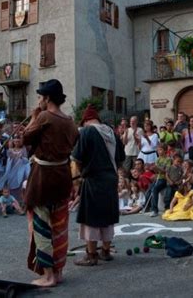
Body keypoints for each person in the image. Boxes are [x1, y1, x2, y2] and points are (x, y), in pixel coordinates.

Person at [23, 79, 79, 286]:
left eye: (40, 97)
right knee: (59, 226)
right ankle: (59, 271)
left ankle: (48, 276)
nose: (39, 100)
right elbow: (73, 142)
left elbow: (25, 138)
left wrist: (34, 116)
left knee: (42, 226)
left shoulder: (45, 116)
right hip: (62, 176)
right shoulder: (70, 121)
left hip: (43, 178)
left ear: (47, 98)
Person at [73, 104, 120, 267]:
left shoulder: (87, 131)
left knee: (90, 218)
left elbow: (77, 158)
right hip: (111, 177)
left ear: (85, 121)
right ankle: (105, 252)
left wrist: (81, 174)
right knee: (107, 216)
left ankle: (91, 255)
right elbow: (120, 157)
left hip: (93, 178)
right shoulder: (112, 133)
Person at [148, 143, 172, 217]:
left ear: (165, 151)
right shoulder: (158, 159)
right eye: (158, 150)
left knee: (155, 189)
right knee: (150, 188)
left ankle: (154, 210)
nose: (159, 151)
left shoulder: (168, 159)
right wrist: (153, 169)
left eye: (160, 150)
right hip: (158, 178)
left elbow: (166, 171)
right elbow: (156, 172)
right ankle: (147, 206)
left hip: (164, 179)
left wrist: (157, 168)